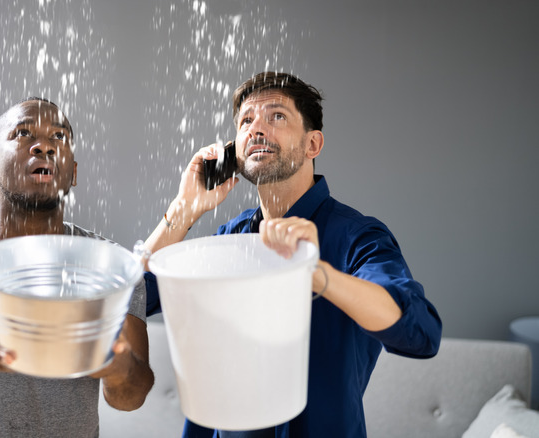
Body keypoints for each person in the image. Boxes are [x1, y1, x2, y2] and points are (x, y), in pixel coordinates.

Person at [143, 72, 442, 437]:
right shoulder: (230, 238)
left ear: (313, 144)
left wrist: (316, 273)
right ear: (234, 151)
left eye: (276, 116)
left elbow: (422, 334)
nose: (256, 128)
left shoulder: (357, 237)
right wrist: (184, 209)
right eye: (246, 121)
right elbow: (135, 298)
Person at [0, 97, 154, 438]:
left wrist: (117, 365)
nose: (45, 147)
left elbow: (131, 397)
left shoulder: (109, 267)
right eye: (23, 133)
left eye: (59, 138)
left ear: (73, 173)